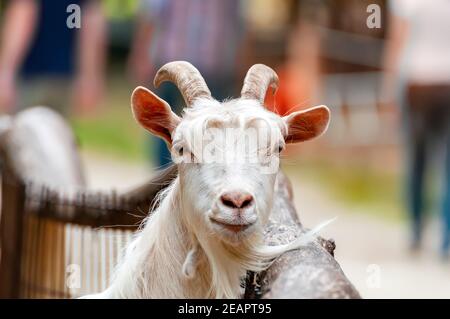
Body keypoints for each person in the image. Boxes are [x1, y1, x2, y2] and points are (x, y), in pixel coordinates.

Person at [127, 0, 246, 167]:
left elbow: (239, 23)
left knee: (214, 134)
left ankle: (208, 179)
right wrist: (142, 55)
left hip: (214, 68)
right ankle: (164, 181)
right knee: (166, 128)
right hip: (171, 65)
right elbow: (151, 15)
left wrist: (239, 64)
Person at [384, 0, 450, 257]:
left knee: (416, 160)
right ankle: (446, 238)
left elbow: (397, 43)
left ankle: (415, 230)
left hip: (416, 82)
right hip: (447, 82)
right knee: (447, 165)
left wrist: (390, 91)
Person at [0, 0, 106, 116]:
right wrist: (89, 76)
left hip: (31, 77)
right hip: (65, 77)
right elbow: (90, 18)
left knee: (24, 129)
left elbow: (24, 12)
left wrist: (7, 72)